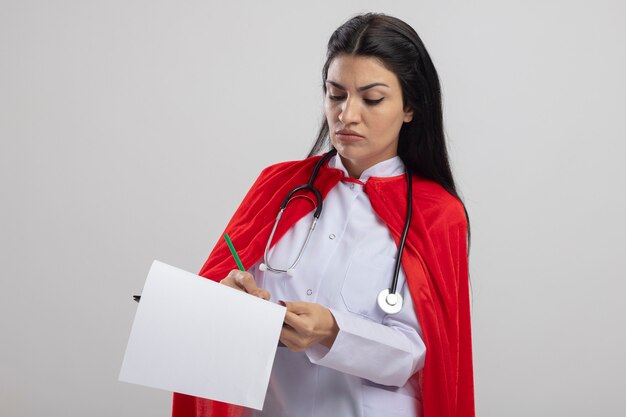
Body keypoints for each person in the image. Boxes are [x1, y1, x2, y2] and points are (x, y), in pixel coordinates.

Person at [172, 12, 474, 417]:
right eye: (336, 95)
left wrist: (333, 331)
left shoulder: (438, 213)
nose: (347, 115)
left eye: (372, 99)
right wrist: (229, 296)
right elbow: (213, 296)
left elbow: (418, 354)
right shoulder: (277, 187)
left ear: (410, 108)